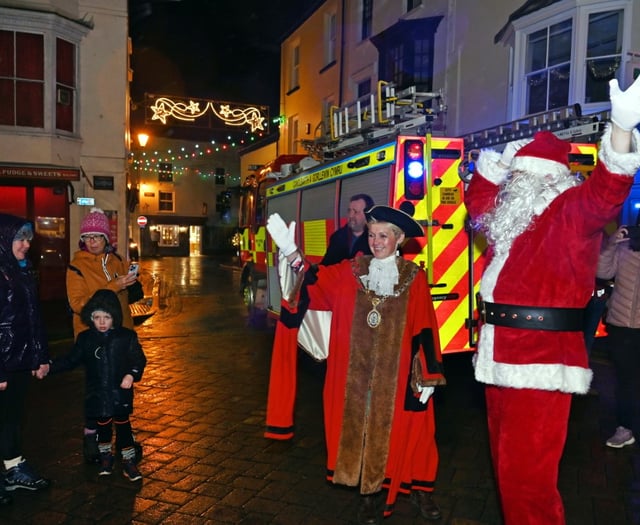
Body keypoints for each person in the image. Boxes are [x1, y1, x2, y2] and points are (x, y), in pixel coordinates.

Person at [464, 75, 640, 525]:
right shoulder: (510, 219)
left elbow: (604, 195)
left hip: (540, 364)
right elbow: (478, 203)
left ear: (544, 180)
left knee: (528, 484)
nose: (514, 182)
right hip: (499, 356)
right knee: (508, 475)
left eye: (521, 173)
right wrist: (498, 162)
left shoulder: (567, 211)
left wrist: (620, 131)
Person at [265, 205, 446, 524]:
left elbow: (425, 328)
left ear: (399, 239)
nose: (376, 242)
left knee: (415, 434)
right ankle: (368, 495)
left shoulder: (414, 278)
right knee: (362, 435)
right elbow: (315, 282)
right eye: (372, 235)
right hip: (356, 378)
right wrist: (293, 254)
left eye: (384, 236)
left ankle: (419, 489)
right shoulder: (351, 272)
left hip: (399, 375)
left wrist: (428, 376)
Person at [50, 289, 147, 481]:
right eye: (97, 317)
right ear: (91, 317)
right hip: (97, 394)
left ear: (115, 317)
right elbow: (71, 360)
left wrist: (131, 374)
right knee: (103, 426)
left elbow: (138, 359)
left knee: (123, 426)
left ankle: (128, 461)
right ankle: (105, 457)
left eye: (107, 317)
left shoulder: (125, 337)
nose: (102, 322)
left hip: (120, 393)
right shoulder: (86, 339)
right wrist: (49, 367)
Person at [66, 207, 137, 463]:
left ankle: (123, 437)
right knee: (96, 390)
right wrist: (113, 285)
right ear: (82, 240)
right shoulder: (76, 266)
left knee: (120, 388)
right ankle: (92, 438)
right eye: (88, 237)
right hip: (92, 338)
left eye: (97, 236)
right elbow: (78, 304)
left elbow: (124, 300)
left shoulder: (116, 260)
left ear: (107, 239)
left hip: (119, 338)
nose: (93, 241)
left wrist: (131, 282)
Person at [0, 214, 51, 500]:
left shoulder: (23, 269)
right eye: (20, 238)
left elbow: (34, 318)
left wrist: (40, 357)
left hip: (19, 360)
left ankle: (13, 467)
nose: (26, 244)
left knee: (13, 418)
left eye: (28, 238)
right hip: (3, 362)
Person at [596, 224, 640, 448]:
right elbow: (602, 272)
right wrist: (610, 244)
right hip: (622, 326)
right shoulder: (623, 247)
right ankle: (624, 428)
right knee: (626, 381)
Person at [320, 194, 374, 265]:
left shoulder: (375, 240)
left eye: (355, 212)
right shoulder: (337, 237)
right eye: (349, 211)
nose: (351, 216)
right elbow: (326, 265)